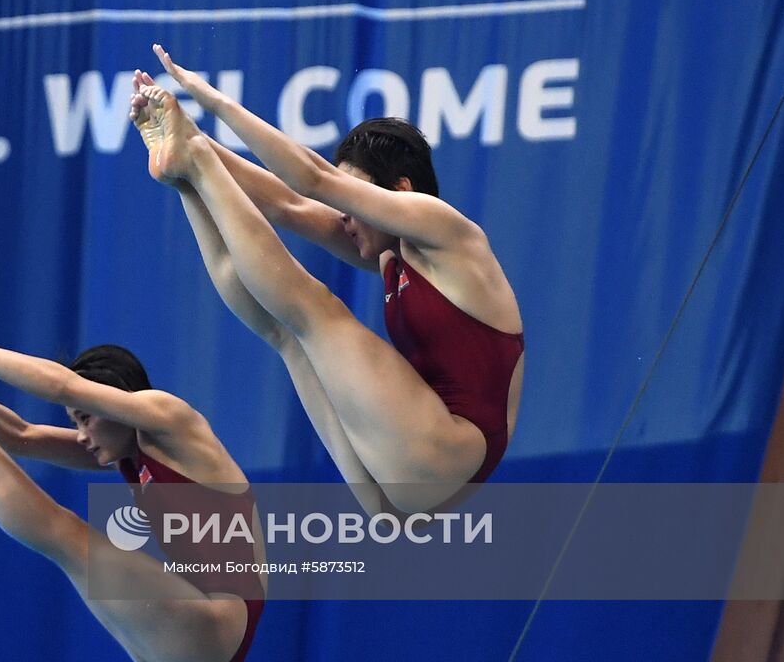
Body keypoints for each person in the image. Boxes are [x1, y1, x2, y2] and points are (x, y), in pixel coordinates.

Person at [131, 44, 524, 513]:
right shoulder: (389, 255)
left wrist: (212, 103)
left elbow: (311, 180)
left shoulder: (449, 233)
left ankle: (192, 157)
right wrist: (189, 139)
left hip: (446, 452)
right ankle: (185, 176)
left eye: (354, 203)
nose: (346, 219)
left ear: (400, 189)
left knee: (317, 313)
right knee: (288, 335)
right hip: (402, 490)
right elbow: (287, 204)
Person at [0, 312, 266, 662]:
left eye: (85, 419)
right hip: (187, 646)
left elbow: (63, 386)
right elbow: (20, 435)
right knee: (69, 546)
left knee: (64, 533)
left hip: (214, 632)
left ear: (115, 399)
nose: (82, 436)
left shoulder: (171, 419)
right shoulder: (128, 451)